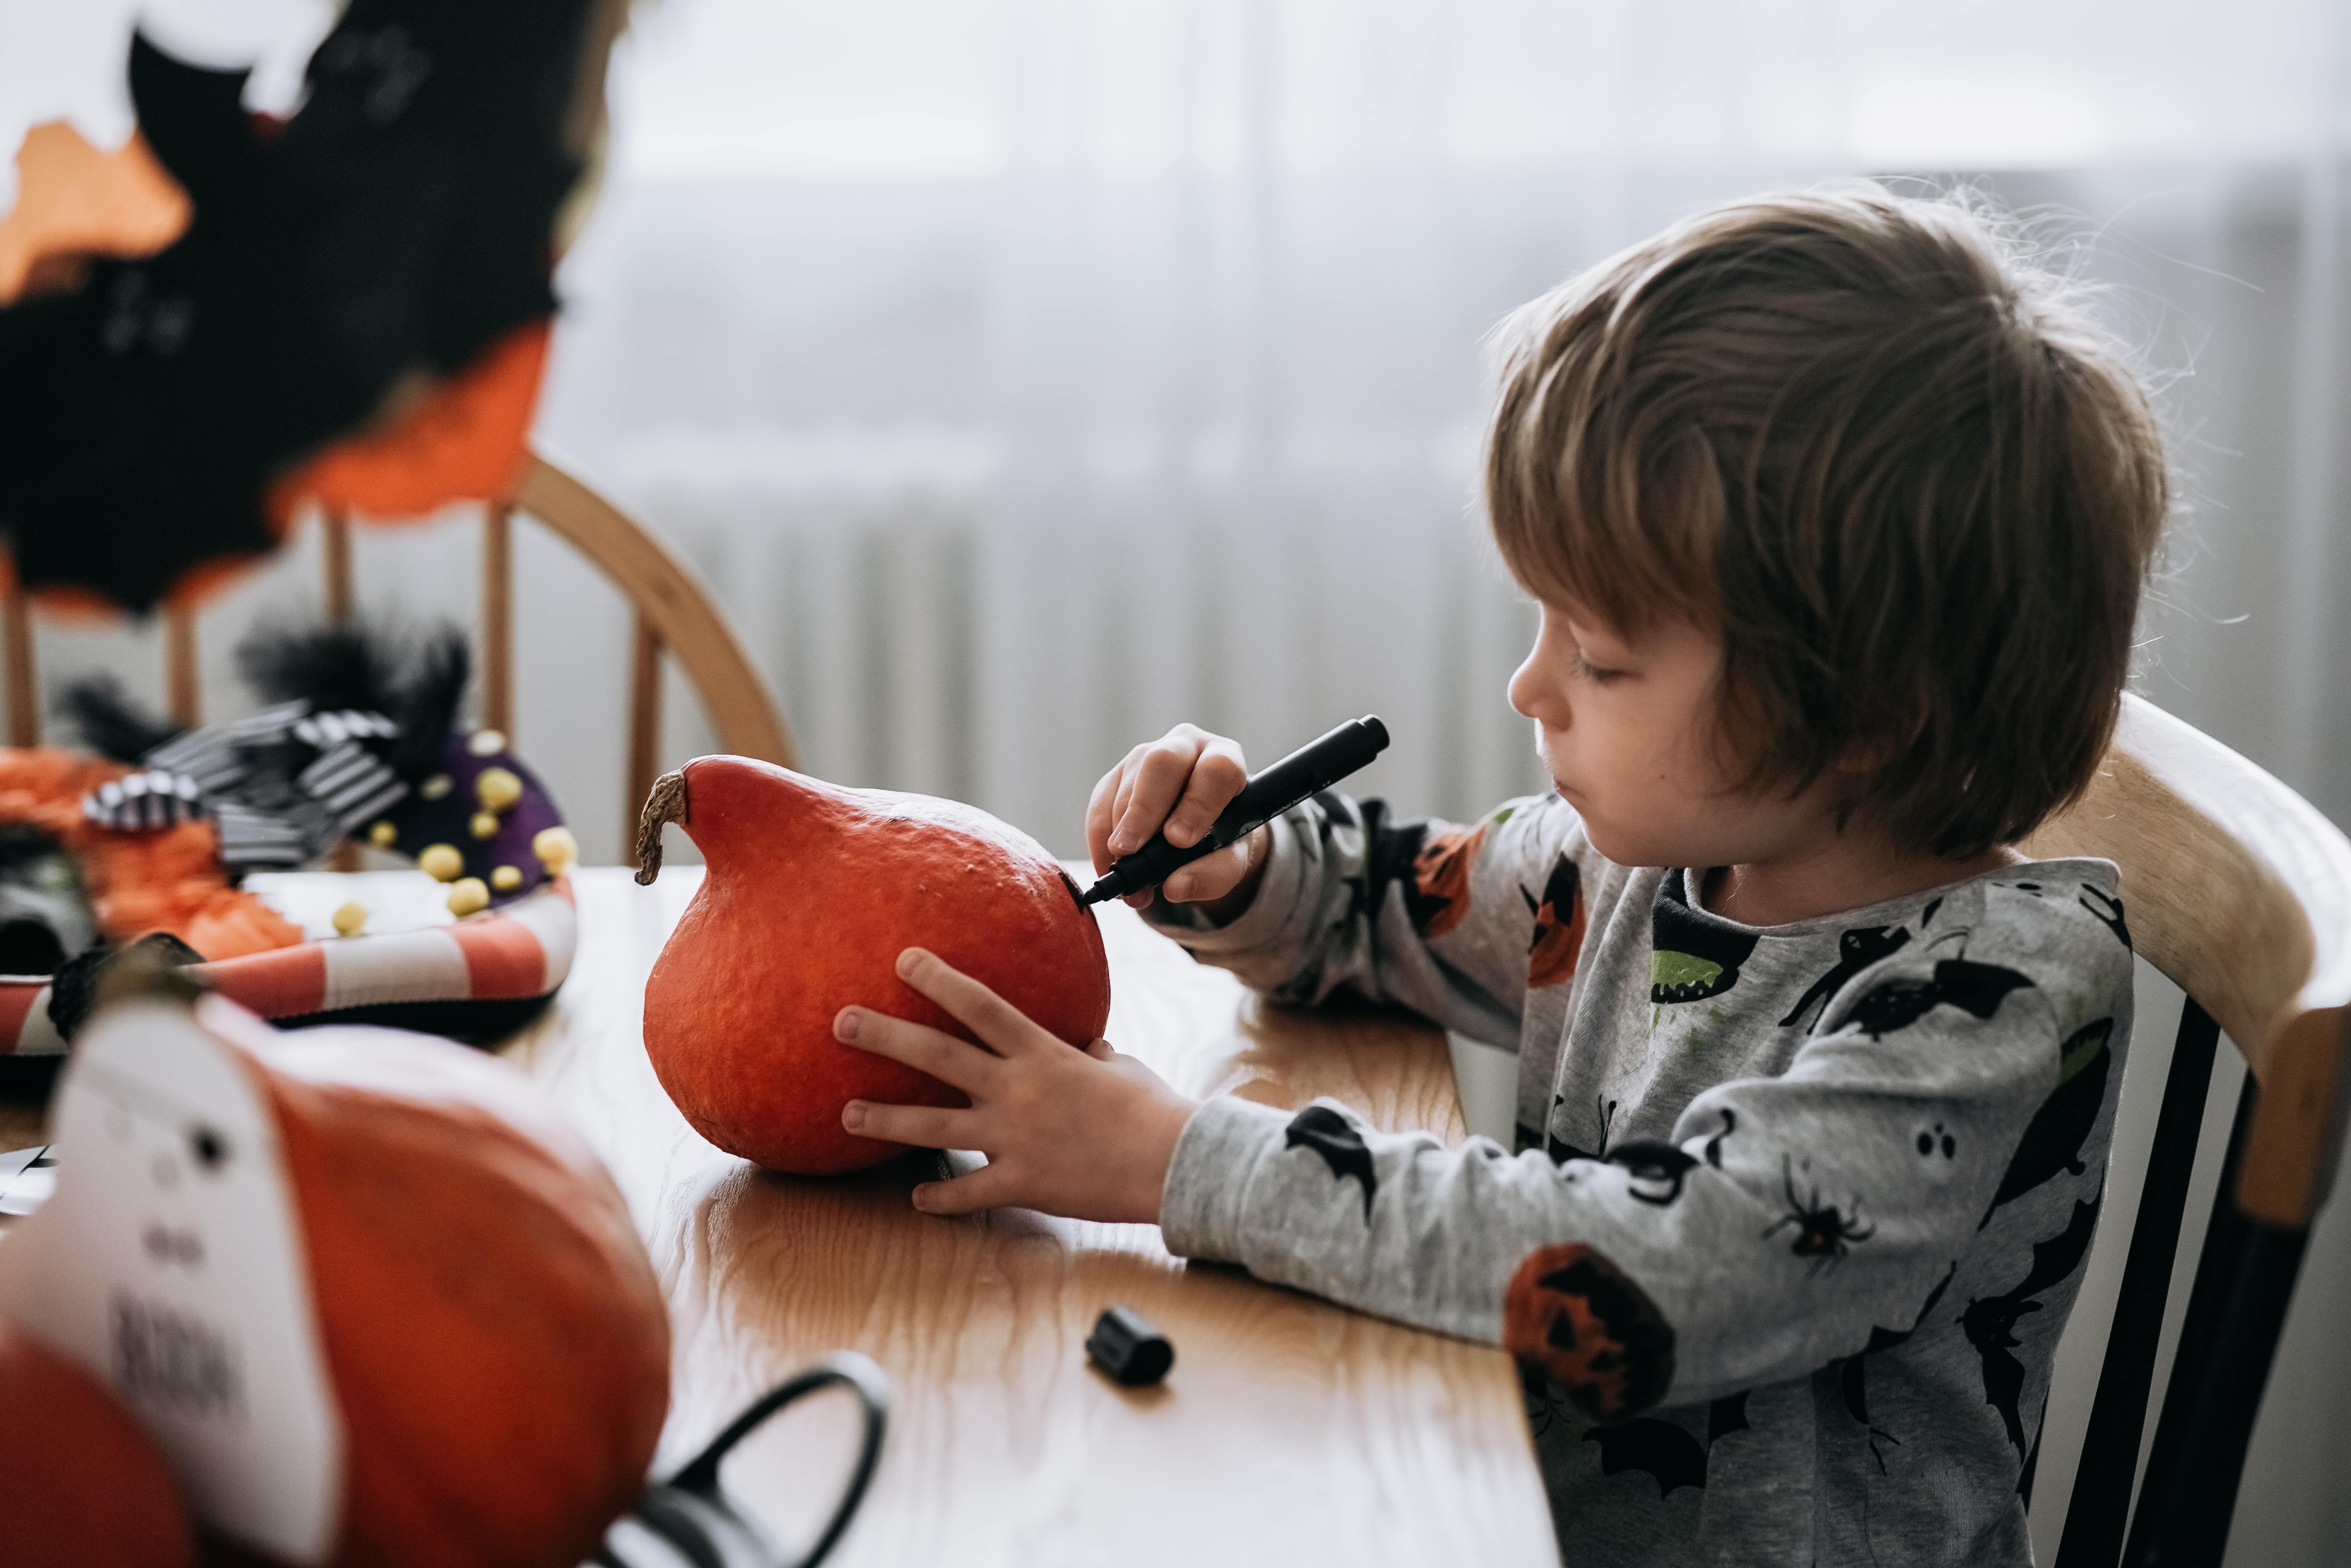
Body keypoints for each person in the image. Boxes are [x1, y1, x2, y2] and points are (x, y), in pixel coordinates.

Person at [828, 183, 2166, 1565]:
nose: (1530, 683)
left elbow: (1662, 1268)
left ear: (1866, 710)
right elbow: (1391, 906)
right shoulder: (1642, 866)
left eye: (1599, 657)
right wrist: (1241, 870)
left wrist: (1177, 1158)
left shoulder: (1991, 999)